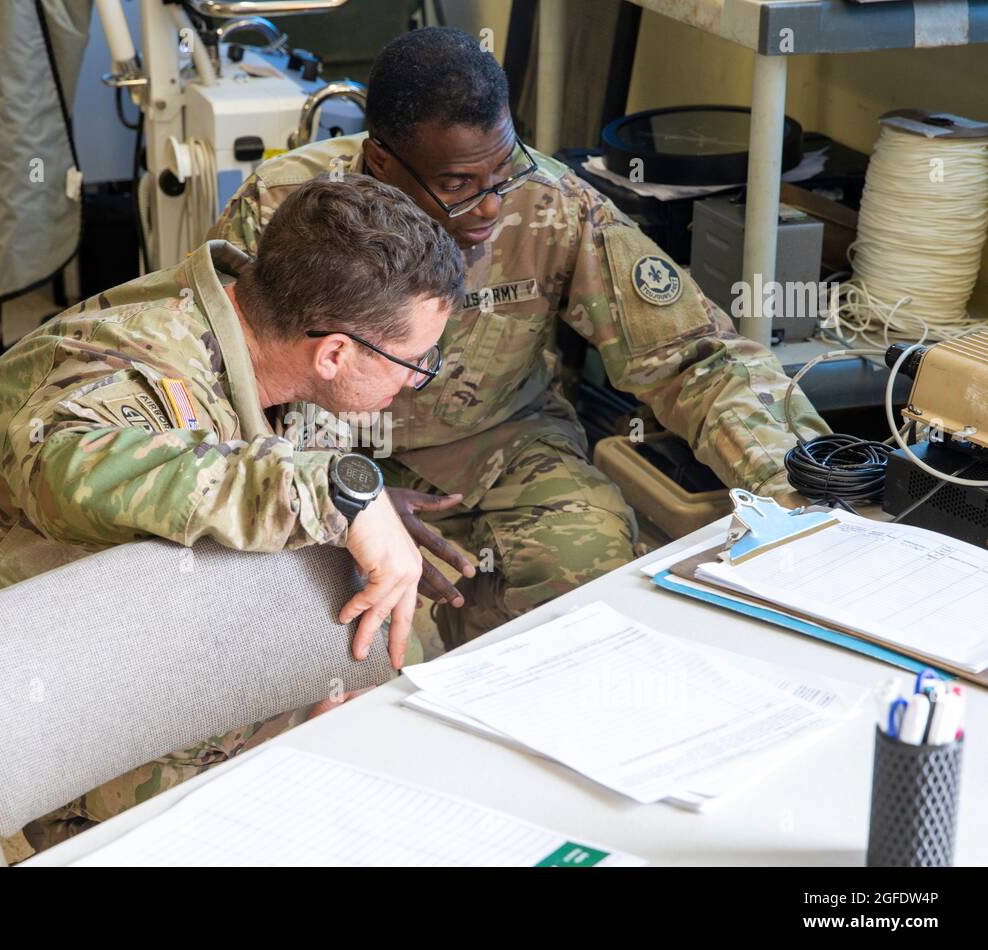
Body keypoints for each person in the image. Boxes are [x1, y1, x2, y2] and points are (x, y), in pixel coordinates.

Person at [0, 174, 464, 847]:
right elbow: (66, 470)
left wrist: (319, 661)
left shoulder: (268, 332)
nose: (418, 377)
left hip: (112, 619)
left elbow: (267, 482)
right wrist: (339, 496)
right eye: (413, 360)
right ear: (333, 352)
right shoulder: (140, 366)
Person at [211, 27, 831, 650]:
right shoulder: (280, 211)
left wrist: (804, 490)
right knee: (310, 635)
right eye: (456, 185)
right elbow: (206, 382)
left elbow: (696, 357)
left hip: (496, 442)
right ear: (382, 163)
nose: (488, 207)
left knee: (587, 582)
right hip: (315, 452)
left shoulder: (549, 204)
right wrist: (338, 496)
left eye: (502, 172)